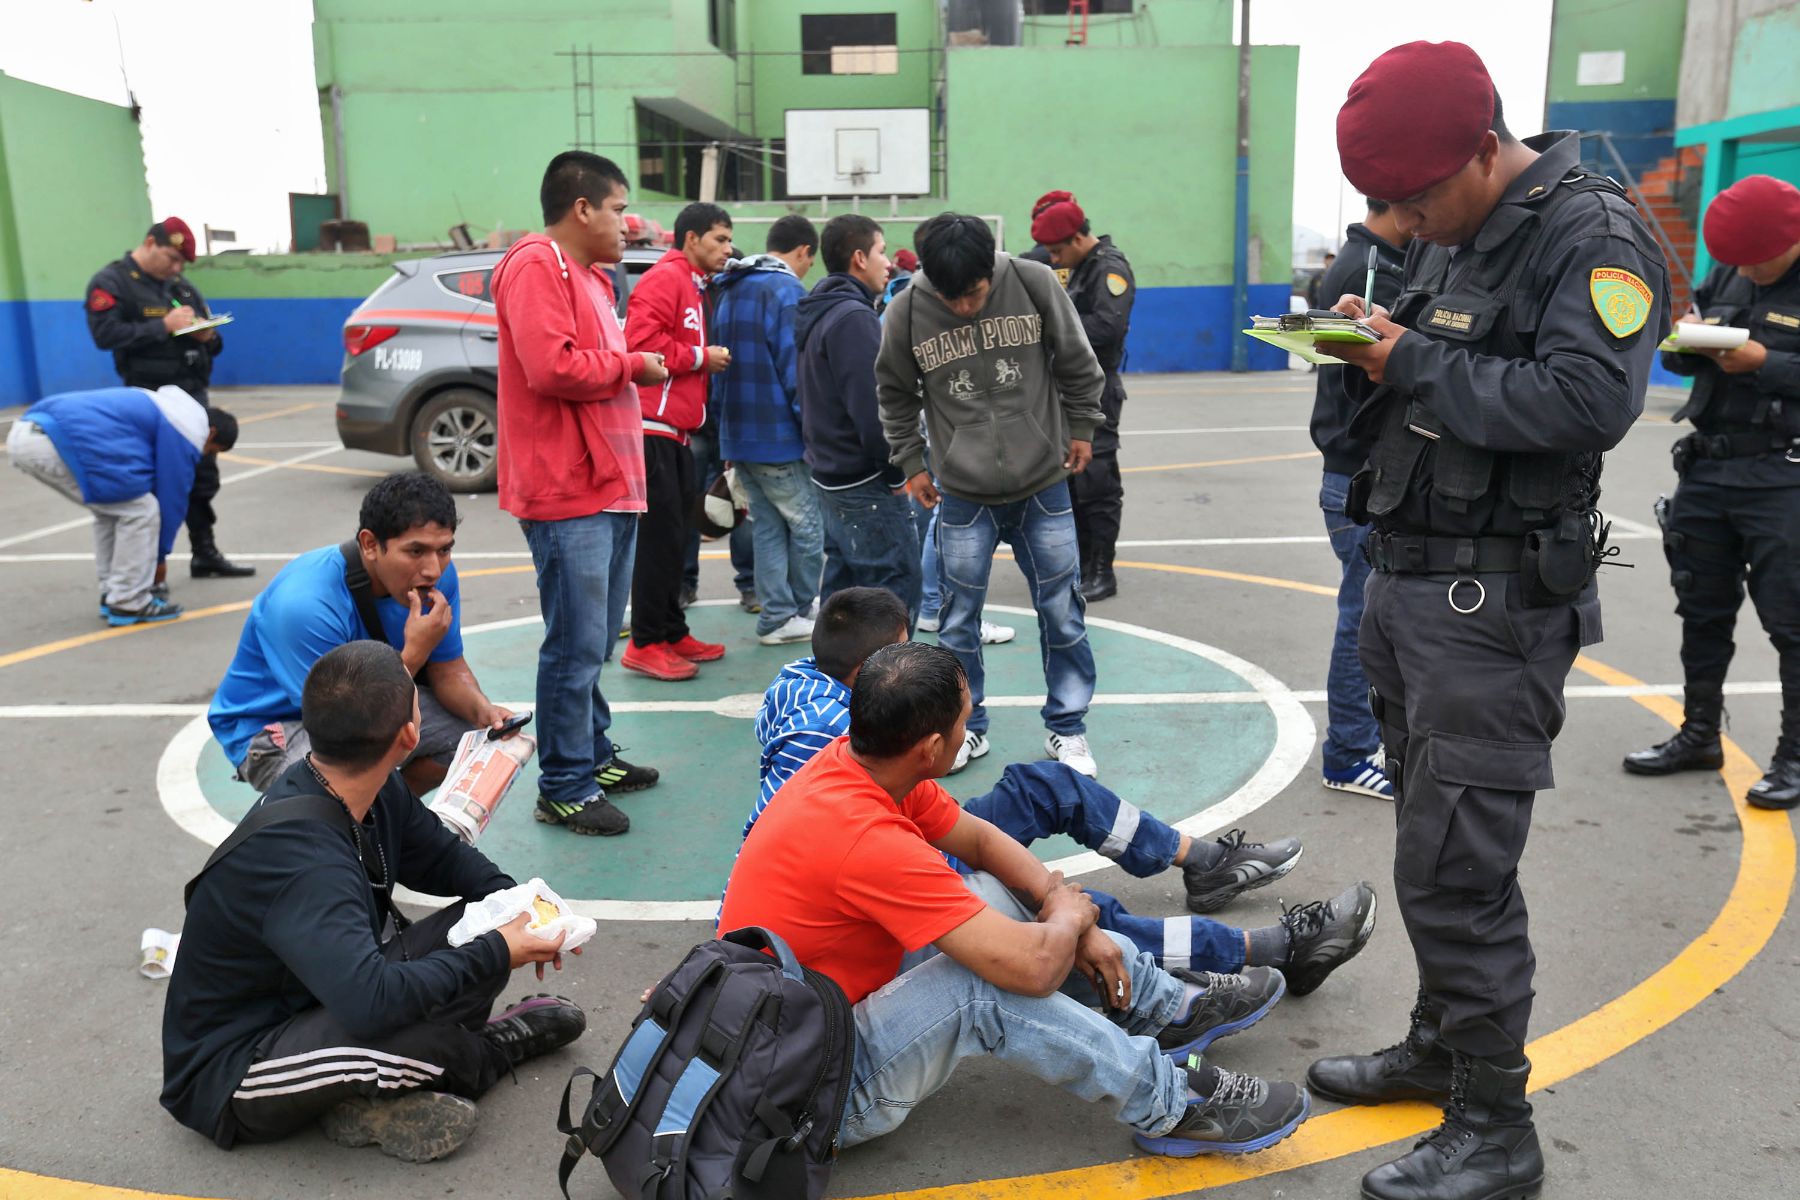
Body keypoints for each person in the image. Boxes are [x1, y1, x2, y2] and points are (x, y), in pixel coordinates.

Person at [1307, 43, 1669, 1200]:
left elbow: (1585, 401)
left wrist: (1410, 360)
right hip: (1415, 587)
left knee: (1460, 870)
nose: (1403, 225)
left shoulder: (1591, 234)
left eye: (1414, 201)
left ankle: (1495, 1130)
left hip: (1492, 603)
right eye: (1385, 208)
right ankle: (1441, 1047)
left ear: (1483, 150)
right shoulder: (1462, 232)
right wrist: (1364, 346)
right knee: (1431, 853)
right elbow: (1427, 369)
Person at [721, 640, 1311, 1158]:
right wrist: (1072, 916)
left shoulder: (855, 766)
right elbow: (1030, 971)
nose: (971, 723)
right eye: (966, 718)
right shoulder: (866, 840)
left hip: (811, 1025)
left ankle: (1161, 1008)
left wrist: (1061, 905)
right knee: (981, 986)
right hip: (816, 1100)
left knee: (996, 895)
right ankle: (1173, 1105)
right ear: (930, 748)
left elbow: (979, 840)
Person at [744, 586, 1379, 990]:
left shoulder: (803, 685)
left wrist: (1048, 888)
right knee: (1067, 914)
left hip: (881, 836)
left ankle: (1202, 863)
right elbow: (872, 846)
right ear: (870, 675)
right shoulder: (856, 739)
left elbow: (951, 825)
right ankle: (1250, 952)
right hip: (876, 864)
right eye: (904, 655)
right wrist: (1059, 907)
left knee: (1046, 791)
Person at [165, 642, 586, 1161]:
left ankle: (364, 1100)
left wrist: (524, 908)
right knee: (428, 1041)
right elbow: (371, 1002)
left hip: (324, 993)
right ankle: (489, 1051)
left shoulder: (368, 786)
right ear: (409, 736)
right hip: (237, 1066)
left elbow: (442, 857)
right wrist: (501, 951)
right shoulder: (304, 862)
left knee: (483, 922)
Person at [878, 212, 1105, 777]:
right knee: (957, 623)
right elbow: (894, 392)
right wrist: (911, 461)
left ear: (991, 270)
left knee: (1062, 612)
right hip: (962, 493)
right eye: (950, 298)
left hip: (1043, 483)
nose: (964, 307)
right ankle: (965, 730)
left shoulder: (1031, 282)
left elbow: (1078, 362)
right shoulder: (906, 308)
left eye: (975, 294)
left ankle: (1068, 730)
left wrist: (1082, 428)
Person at [492, 150, 666, 836]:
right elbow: (550, 365)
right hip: (568, 490)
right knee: (574, 644)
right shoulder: (538, 263)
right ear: (582, 208)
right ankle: (564, 784)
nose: (628, 223)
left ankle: (591, 753)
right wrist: (633, 366)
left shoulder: (592, 276)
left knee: (592, 640)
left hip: (609, 485)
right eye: (619, 209)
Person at [1621, 174, 1800, 808]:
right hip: (1709, 469)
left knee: (1791, 624)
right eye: (1737, 261)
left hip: (1785, 476)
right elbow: (1680, 358)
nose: (1747, 270)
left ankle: (1794, 758)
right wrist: (1688, 341)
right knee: (1701, 609)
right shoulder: (1727, 274)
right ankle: (1699, 735)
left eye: (1760, 259)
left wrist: (1765, 364)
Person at [209, 473, 521, 797]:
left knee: (467, 737)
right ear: (370, 545)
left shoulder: (438, 577)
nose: (433, 569)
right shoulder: (305, 604)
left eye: (444, 550)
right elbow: (344, 724)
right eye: (416, 551)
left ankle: (387, 821)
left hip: (363, 702)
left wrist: (484, 711)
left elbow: (449, 670)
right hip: (277, 727)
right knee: (345, 787)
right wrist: (415, 651)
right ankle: (363, 821)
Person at [86, 217, 254, 581]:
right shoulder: (113, 282)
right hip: (150, 401)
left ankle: (204, 552)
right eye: (171, 258)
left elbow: (217, 341)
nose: (176, 268)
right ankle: (146, 564)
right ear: (149, 243)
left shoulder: (182, 288)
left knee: (203, 477)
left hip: (193, 394)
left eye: (181, 263)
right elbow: (105, 334)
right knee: (152, 482)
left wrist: (207, 337)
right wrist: (163, 326)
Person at [1309, 199, 1409, 801]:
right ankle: (1348, 753)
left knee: (1373, 617)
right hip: (1358, 474)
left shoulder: (1385, 260)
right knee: (1363, 620)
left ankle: (1361, 742)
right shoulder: (1366, 268)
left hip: (1362, 470)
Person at [8, 385, 235, 625]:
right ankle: (128, 601)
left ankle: (113, 592)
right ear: (210, 433)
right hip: (54, 442)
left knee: (115, 510)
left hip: (28, 432)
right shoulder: (189, 429)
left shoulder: (169, 407)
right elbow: (172, 499)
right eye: (211, 451)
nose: (204, 455)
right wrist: (159, 560)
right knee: (142, 511)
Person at [623, 201, 734, 681]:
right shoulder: (665, 279)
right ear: (691, 239)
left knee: (676, 538)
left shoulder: (692, 285)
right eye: (719, 240)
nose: (728, 250)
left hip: (678, 432)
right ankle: (645, 642)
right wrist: (698, 356)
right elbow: (638, 344)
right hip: (652, 431)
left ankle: (670, 630)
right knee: (657, 542)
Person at [795, 214, 924, 621]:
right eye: (881, 252)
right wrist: (896, 471)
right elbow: (874, 409)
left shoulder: (822, 310)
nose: (888, 263)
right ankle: (883, 685)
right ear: (858, 258)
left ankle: (836, 683)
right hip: (864, 483)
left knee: (843, 605)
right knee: (894, 596)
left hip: (832, 476)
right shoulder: (852, 317)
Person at [710, 213, 826, 645]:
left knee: (768, 527)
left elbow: (719, 370)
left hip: (739, 433)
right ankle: (794, 609)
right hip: (778, 436)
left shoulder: (731, 287)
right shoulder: (786, 289)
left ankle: (779, 615)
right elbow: (796, 371)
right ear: (803, 252)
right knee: (808, 526)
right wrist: (811, 431)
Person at [1033, 193, 1136, 602]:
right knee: (1073, 480)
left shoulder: (1109, 269)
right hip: (1068, 389)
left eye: (1058, 251)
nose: (1055, 260)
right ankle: (1079, 565)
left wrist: (1052, 327)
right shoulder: (1077, 267)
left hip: (1097, 390)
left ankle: (1102, 571)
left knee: (1097, 482)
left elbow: (1106, 329)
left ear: (1078, 238)